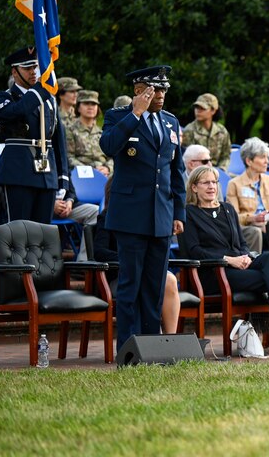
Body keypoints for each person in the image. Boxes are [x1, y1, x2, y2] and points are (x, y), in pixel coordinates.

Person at [99, 65, 185, 352]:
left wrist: (179, 213)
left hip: (161, 214)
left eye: (164, 89)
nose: (161, 95)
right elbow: (109, 147)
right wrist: (135, 113)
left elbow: (177, 171)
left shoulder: (171, 122)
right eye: (155, 89)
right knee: (130, 285)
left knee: (155, 285)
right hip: (130, 214)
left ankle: (152, 346)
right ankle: (128, 347)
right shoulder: (117, 117)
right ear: (139, 92)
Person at [183, 165, 269, 357]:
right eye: (205, 182)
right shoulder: (188, 213)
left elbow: (241, 243)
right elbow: (193, 250)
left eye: (214, 182)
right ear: (194, 187)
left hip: (239, 267)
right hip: (214, 273)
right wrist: (229, 260)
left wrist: (245, 257)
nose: (211, 186)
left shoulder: (228, 209)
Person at [0, 46, 70, 224]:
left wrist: (62, 179)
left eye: (35, 67)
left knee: (42, 234)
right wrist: (42, 89)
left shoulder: (49, 101)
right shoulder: (3, 98)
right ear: (15, 71)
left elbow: (58, 142)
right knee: (19, 232)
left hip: (46, 173)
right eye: (27, 68)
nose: (33, 72)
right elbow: (17, 111)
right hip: (19, 172)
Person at [93, 179, 181, 335]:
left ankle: (170, 339)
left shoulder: (149, 219)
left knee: (169, 280)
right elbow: (100, 251)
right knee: (158, 280)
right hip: (119, 275)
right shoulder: (108, 216)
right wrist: (132, 259)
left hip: (146, 270)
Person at [225, 137, 269, 254]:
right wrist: (254, 218)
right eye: (262, 157)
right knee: (258, 231)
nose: (267, 161)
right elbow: (233, 218)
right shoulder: (234, 184)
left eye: (267, 157)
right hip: (249, 227)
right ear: (249, 161)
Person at [66, 90, 113, 176]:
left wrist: (107, 168)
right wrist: (90, 171)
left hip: (104, 175)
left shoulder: (103, 132)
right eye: (86, 103)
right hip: (81, 175)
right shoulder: (70, 130)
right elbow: (69, 157)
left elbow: (112, 157)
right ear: (78, 107)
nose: (90, 107)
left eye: (94, 104)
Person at [181, 93, 231, 171]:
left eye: (202, 108)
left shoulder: (222, 131)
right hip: (196, 173)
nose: (198, 111)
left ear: (213, 111)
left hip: (218, 172)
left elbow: (226, 156)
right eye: (196, 107)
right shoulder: (189, 130)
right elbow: (187, 158)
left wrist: (221, 169)